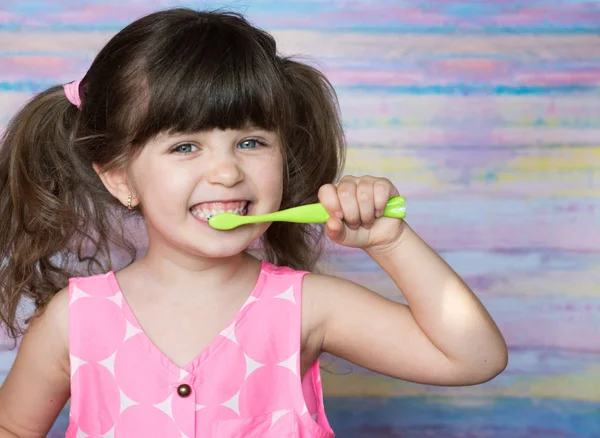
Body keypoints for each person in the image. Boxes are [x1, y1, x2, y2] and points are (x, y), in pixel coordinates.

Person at [0, 8, 508, 438]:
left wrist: (390, 241)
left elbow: (472, 358)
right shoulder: (76, 319)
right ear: (119, 180)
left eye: (250, 142)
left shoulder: (305, 306)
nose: (226, 171)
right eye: (184, 147)